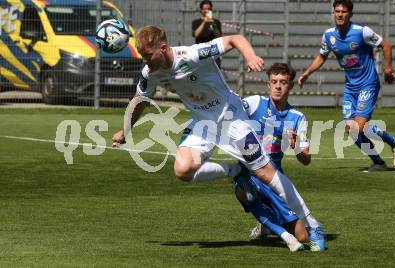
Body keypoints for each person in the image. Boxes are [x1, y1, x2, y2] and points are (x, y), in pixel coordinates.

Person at [111, 26, 322, 248]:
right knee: (182, 170)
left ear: (163, 48)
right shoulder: (150, 73)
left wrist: (250, 56)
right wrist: (125, 130)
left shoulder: (192, 55)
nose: (145, 61)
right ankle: (235, 169)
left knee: (266, 173)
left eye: (147, 55)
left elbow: (235, 39)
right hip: (203, 123)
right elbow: (140, 100)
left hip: (233, 119)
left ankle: (313, 224)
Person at [297, 0, 395, 172]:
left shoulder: (362, 32)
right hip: (350, 88)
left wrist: (388, 70)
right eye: (337, 11)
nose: (340, 14)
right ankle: (378, 162)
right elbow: (321, 56)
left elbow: (386, 46)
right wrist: (307, 73)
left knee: (359, 127)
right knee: (352, 130)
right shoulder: (329, 35)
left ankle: (394, 142)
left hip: (368, 84)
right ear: (333, 13)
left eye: (344, 12)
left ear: (350, 14)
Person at [233, 62, 326, 252]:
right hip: (250, 172)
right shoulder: (254, 103)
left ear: (290, 86)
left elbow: (306, 160)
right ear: (268, 84)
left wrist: (296, 146)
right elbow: (232, 108)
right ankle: (271, 224)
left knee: (303, 236)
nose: (278, 86)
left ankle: (268, 223)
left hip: (276, 178)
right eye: (274, 81)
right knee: (244, 191)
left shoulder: (297, 117)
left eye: (283, 82)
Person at [192, 0, 222, 67]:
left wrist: (212, 24)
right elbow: (196, 35)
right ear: (201, 10)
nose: (207, 11)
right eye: (205, 9)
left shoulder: (216, 22)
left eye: (209, 9)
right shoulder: (196, 22)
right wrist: (204, 22)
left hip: (213, 52)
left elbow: (219, 36)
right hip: (200, 52)